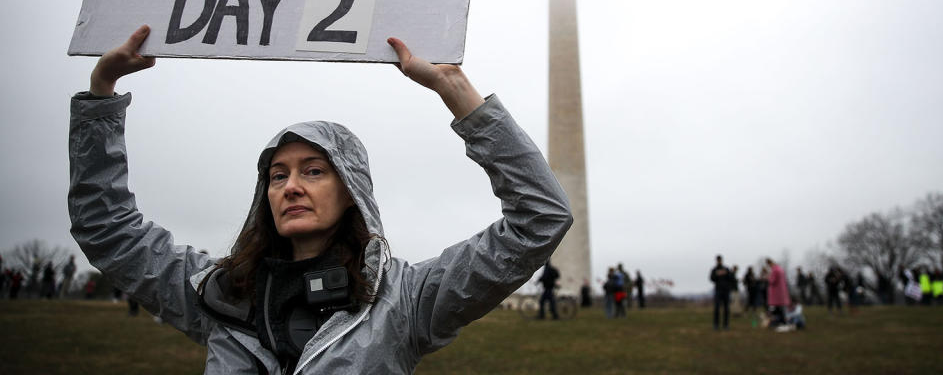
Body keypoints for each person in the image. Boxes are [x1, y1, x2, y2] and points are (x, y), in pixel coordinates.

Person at [69, 26, 573, 374]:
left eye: (313, 171)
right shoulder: (220, 293)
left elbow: (540, 219)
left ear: (352, 192)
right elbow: (108, 229)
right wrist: (101, 93)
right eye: (277, 175)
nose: (291, 186)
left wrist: (457, 91)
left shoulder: (407, 300)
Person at [709, 255, 733, 330]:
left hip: (726, 290)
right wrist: (717, 274)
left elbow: (731, 278)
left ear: (722, 260)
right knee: (717, 308)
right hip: (718, 290)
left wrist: (725, 273)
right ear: (716, 261)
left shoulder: (726, 269)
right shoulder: (714, 269)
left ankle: (726, 325)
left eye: (720, 260)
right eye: (718, 260)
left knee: (726, 308)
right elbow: (711, 278)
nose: (719, 261)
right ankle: (716, 325)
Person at [765, 258, 790, 327]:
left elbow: (772, 281)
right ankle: (782, 321)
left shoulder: (775, 270)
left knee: (777, 309)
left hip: (776, 292)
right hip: (782, 291)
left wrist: (768, 277)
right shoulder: (780, 269)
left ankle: (780, 322)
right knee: (781, 308)